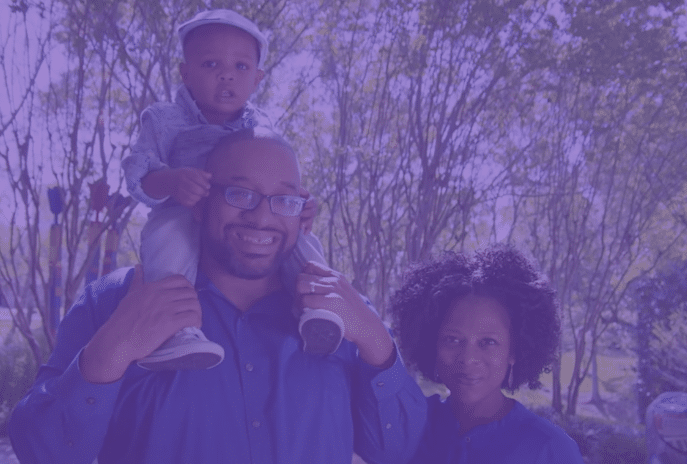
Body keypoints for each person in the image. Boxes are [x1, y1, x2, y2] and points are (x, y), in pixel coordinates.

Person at [9, 128, 427, 464]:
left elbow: (396, 451)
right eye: (239, 193)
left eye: (282, 200)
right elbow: (40, 453)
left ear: (300, 210)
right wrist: (109, 352)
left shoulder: (343, 315)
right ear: (198, 203)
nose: (262, 216)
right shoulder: (113, 302)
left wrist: (376, 340)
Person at [121, 9, 343, 370]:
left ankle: (320, 307)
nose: (226, 74)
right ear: (185, 72)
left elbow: (280, 179)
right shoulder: (163, 120)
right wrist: (172, 181)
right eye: (210, 64)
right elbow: (139, 173)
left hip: (251, 215)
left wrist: (299, 204)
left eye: (240, 67)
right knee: (167, 241)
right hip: (183, 211)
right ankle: (175, 330)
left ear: (257, 79)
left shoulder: (263, 125)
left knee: (301, 242)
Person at [389, 245, 584, 463]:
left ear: (514, 350)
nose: (468, 358)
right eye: (453, 339)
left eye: (488, 342)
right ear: (431, 342)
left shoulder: (550, 449)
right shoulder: (409, 426)